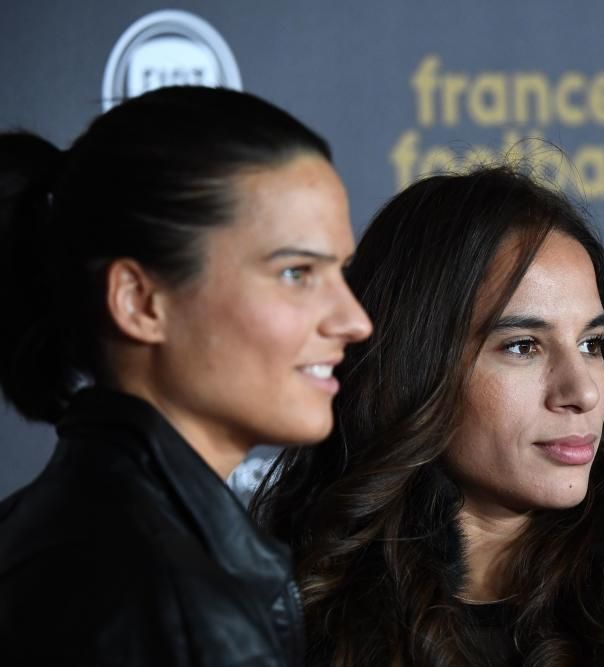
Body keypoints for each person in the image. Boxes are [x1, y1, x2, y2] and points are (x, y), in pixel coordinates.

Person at [252, 166, 604, 666]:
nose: (580, 390)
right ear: (412, 364)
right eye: (522, 347)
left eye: (591, 343)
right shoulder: (280, 597)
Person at [0, 86, 372, 665]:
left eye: (339, 272)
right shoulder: (173, 600)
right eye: (297, 272)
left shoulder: (60, 528)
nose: (355, 321)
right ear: (140, 302)